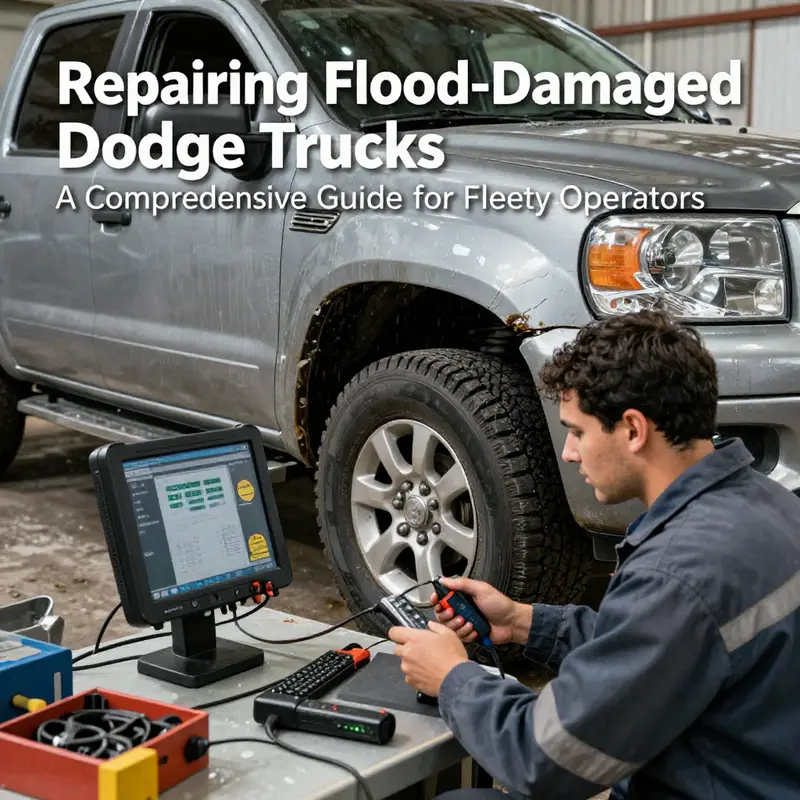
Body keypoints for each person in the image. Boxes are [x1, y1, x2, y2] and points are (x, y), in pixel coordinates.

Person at [388, 309, 800, 800]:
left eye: (578, 431)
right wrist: (522, 622)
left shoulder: (677, 572)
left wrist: (453, 677)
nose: (569, 452)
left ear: (633, 429)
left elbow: (547, 760)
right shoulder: (771, 506)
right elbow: (663, 648)